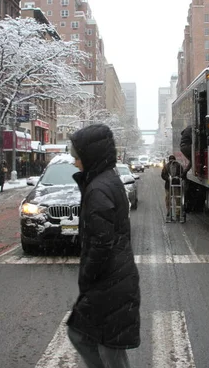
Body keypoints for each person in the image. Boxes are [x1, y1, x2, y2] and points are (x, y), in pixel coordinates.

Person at [67, 123, 140, 368]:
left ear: (91, 155)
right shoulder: (105, 181)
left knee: (105, 346)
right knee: (96, 340)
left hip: (110, 281)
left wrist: (87, 275)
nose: (75, 162)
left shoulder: (98, 189)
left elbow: (101, 242)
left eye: (77, 156)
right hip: (115, 278)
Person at [161, 155, 183, 220]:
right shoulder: (166, 166)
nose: (172, 161)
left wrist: (178, 177)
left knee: (178, 199)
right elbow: (163, 175)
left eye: (173, 160)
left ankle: (178, 213)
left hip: (176, 185)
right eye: (171, 160)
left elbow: (182, 173)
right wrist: (168, 178)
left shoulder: (179, 166)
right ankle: (169, 211)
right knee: (168, 199)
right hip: (168, 185)